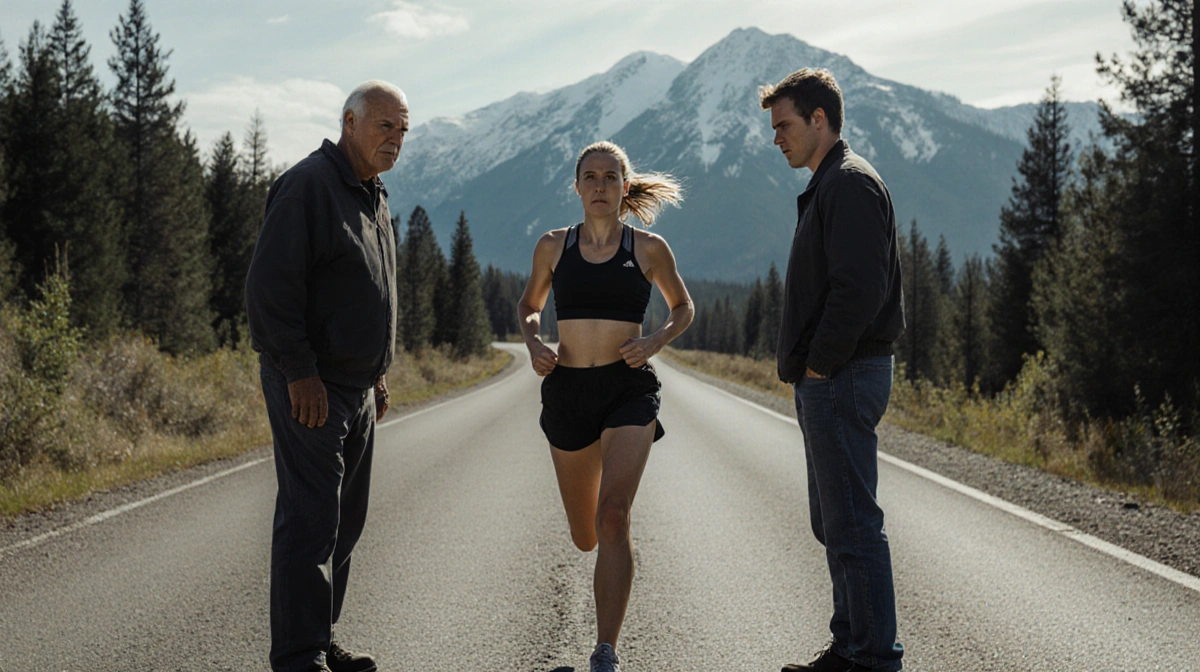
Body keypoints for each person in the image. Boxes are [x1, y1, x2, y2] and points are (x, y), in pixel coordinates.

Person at [245, 80, 408, 672]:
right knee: (310, 515)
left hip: (359, 387)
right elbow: (269, 291)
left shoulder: (373, 194)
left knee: (344, 519)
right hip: (313, 385)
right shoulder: (308, 187)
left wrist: (378, 376)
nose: (395, 139)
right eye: (384, 126)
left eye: (403, 130)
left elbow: (371, 292)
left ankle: (320, 638)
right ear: (349, 122)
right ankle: (297, 656)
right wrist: (299, 373)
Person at [517, 141, 694, 672]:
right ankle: (597, 564)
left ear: (623, 186)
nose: (599, 186)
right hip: (567, 391)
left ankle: (606, 651)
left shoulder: (648, 248)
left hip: (628, 388)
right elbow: (530, 306)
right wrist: (532, 342)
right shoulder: (553, 246)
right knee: (586, 534)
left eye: (610, 177)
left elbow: (683, 306)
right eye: (590, 177)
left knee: (613, 517)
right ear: (577, 187)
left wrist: (655, 341)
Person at [759, 69, 906, 672]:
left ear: (820, 119)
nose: (778, 139)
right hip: (834, 377)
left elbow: (860, 288)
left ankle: (870, 657)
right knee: (836, 520)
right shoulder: (831, 184)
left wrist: (819, 365)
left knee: (852, 523)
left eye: (785, 125)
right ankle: (851, 645)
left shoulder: (847, 184)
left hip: (843, 375)